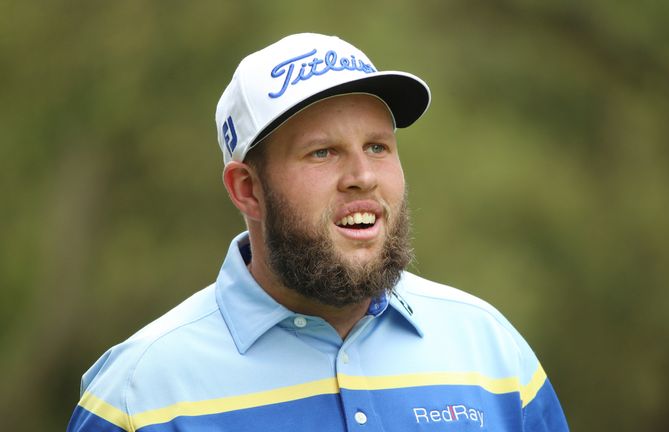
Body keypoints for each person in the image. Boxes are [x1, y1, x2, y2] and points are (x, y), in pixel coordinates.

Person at [67, 33, 569, 431]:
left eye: (377, 147)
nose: (363, 176)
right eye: (322, 152)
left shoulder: (492, 353)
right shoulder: (138, 396)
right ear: (247, 190)